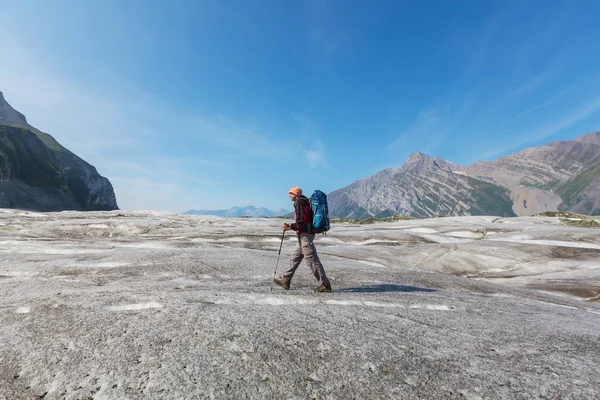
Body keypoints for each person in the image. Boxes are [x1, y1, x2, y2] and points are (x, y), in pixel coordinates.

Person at [273, 186, 332, 293]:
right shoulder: (303, 201)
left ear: (295, 194)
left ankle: (324, 284)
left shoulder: (299, 202)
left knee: (311, 260)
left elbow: (301, 221)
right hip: (305, 234)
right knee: (295, 257)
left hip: (305, 235)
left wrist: (290, 226)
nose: (289, 195)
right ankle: (286, 279)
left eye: (290, 193)